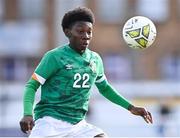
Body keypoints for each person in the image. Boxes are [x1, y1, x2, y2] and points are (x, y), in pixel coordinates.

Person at [19, 7, 153, 137]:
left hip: (78, 125)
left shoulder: (95, 59)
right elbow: (31, 86)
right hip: (50, 122)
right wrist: (27, 114)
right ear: (67, 32)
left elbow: (105, 88)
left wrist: (131, 107)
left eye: (89, 32)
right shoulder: (54, 57)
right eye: (80, 31)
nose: (86, 36)